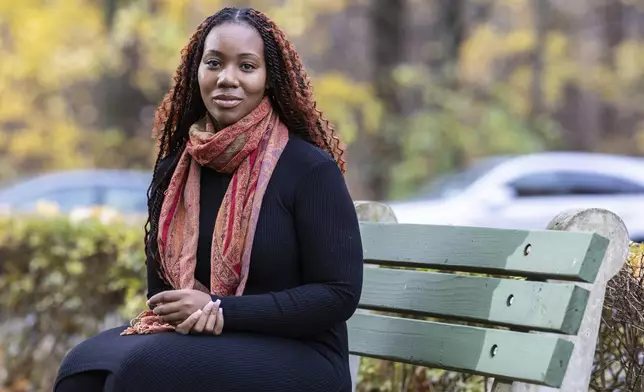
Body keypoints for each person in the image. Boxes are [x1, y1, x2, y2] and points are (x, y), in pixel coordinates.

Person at [54, 6, 363, 392]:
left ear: (269, 79)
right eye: (214, 63)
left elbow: (337, 295)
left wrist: (221, 310)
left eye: (246, 66)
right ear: (196, 72)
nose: (227, 79)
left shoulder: (308, 168)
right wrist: (195, 314)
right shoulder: (177, 169)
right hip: (212, 342)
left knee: (139, 371)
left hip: (304, 355)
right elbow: (161, 292)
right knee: (82, 368)